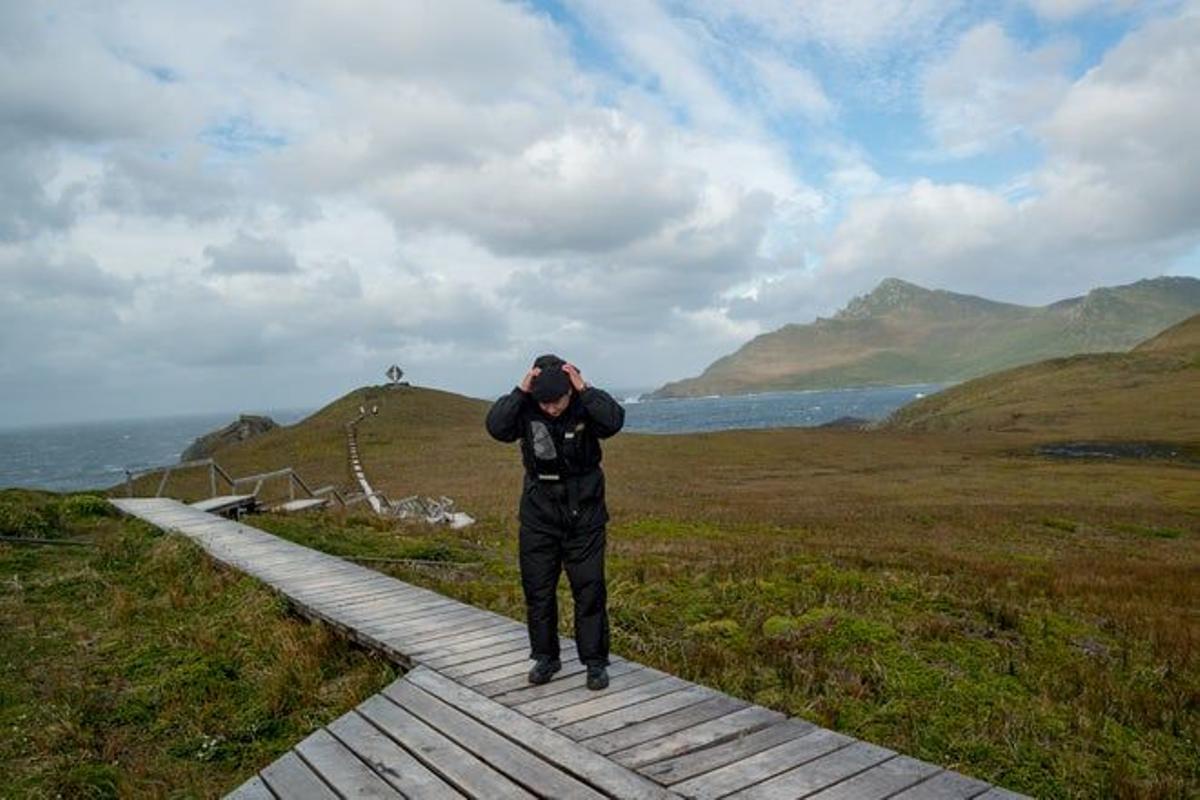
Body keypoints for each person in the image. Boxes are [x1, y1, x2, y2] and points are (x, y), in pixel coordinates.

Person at [485, 354, 625, 690]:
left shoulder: (583, 404)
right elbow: (496, 427)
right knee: (538, 591)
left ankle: (595, 664)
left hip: (585, 517)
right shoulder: (527, 405)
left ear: (570, 390)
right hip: (538, 516)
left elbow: (613, 421)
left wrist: (585, 389)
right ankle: (546, 658)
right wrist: (520, 392)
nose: (551, 409)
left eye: (558, 401)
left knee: (589, 591)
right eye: (544, 403)